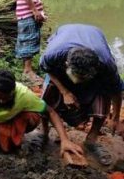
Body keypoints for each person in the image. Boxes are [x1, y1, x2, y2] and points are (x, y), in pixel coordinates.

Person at [40, 24, 122, 165]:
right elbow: (47, 69)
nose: (79, 83)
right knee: (48, 96)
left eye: (84, 78)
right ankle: (44, 133)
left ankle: (91, 140)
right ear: (66, 64)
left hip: (94, 39)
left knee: (103, 95)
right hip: (65, 38)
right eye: (77, 77)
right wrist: (65, 92)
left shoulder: (106, 64)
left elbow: (116, 90)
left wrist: (115, 117)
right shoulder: (53, 55)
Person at [0, 69, 83, 156]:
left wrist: (65, 140)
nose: (2, 102)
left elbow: (51, 112)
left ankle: (9, 141)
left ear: (13, 91)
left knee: (32, 116)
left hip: (8, 122)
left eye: (6, 98)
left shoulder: (24, 94)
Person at [15, 0, 46, 84]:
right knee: (29, 39)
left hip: (28, 12)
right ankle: (28, 71)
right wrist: (34, 10)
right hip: (27, 13)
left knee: (30, 39)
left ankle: (27, 70)